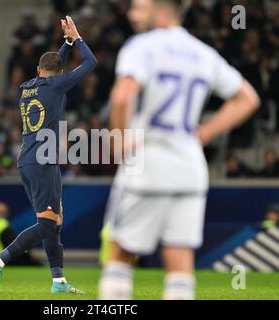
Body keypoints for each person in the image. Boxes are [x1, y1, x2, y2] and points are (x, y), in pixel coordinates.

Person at [98, 0, 260, 300]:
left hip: (148, 162)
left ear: (162, 10)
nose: (132, 15)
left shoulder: (141, 46)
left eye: (139, 7)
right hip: (190, 168)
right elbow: (248, 98)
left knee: (119, 257)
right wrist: (203, 134)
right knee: (180, 263)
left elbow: (121, 98)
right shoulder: (202, 52)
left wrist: (119, 140)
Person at [0, 16, 97, 294]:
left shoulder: (27, 87)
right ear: (59, 73)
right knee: (46, 224)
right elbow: (91, 63)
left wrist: (66, 44)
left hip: (31, 159)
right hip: (42, 161)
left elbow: (54, 66)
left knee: (54, 222)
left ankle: (58, 281)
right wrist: (78, 38)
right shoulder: (57, 85)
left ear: (37, 69)